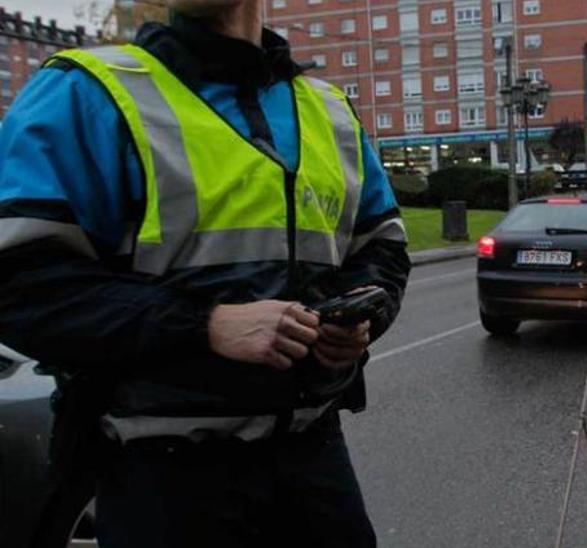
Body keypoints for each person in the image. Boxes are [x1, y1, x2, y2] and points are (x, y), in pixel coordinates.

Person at [0, 2, 410, 547]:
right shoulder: (87, 92)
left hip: (314, 462)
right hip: (165, 479)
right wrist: (204, 324)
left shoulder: (329, 110)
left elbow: (381, 249)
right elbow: (19, 285)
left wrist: (359, 316)